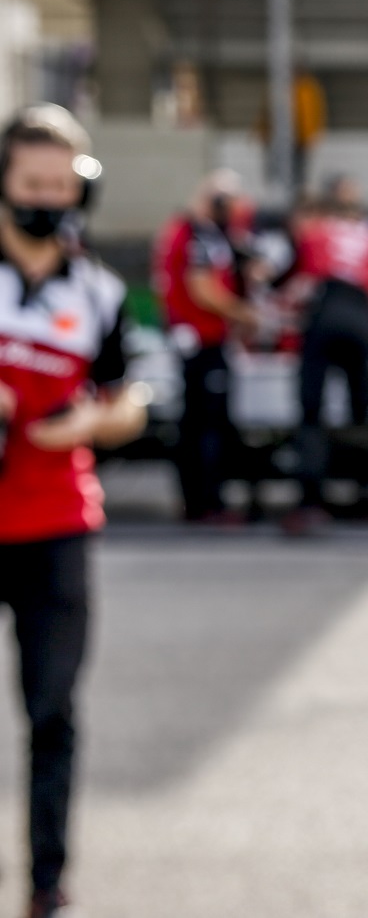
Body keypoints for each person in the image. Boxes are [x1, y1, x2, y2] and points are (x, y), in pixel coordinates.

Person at [0, 104, 145, 918]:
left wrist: (95, 420)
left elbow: (130, 400)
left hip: (55, 524)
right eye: (31, 184)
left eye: (62, 185)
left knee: (51, 713)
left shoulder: (97, 292)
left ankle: (45, 885)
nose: (47, 199)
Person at [280, 177, 368, 536]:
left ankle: (311, 500)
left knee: (311, 413)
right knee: (361, 410)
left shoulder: (317, 233)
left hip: (326, 314)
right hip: (362, 320)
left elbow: (295, 279)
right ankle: (367, 493)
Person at [153, 170, 257, 522]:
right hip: (202, 342)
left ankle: (198, 501)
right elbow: (202, 287)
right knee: (207, 425)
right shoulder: (196, 234)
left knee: (197, 424)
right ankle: (206, 502)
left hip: (198, 340)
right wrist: (242, 313)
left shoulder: (198, 232)